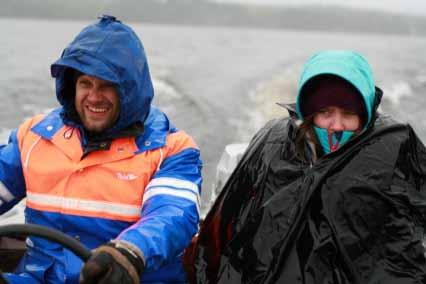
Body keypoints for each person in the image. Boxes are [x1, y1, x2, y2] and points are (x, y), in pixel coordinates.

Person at [184, 50, 426, 283]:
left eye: (348, 114)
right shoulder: (273, 147)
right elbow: (227, 227)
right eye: (325, 112)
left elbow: (400, 250)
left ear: (365, 115)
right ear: (309, 113)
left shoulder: (389, 153)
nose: (337, 126)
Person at [0, 15, 202, 283]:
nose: (94, 97)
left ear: (129, 90)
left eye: (107, 85)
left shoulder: (173, 149)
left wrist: (128, 252)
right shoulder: (34, 136)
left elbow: (173, 216)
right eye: (86, 83)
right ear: (71, 86)